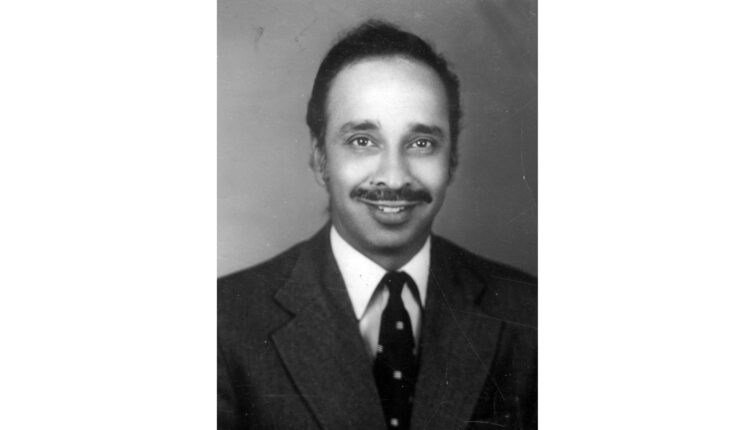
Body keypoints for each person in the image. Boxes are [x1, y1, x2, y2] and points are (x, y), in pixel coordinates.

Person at [218, 20, 537, 430]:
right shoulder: (223, 322)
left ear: (453, 158)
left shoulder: (530, 313)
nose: (394, 177)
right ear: (319, 158)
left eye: (421, 143)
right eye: (362, 141)